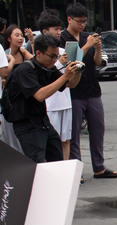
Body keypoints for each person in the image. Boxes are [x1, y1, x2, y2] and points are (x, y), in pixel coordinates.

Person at [60, 2, 117, 179]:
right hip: (74, 91)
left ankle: (98, 166)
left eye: (85, 21)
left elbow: (97, 62)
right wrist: (87, 46)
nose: (82, 24)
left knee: (98, 128)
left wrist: (98, 47)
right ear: (69, 19)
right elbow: (71, 60)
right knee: (74, 133)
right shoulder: (63, 38)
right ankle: (77, 170)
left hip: (93, 89)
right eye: (79, 21)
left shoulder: (87, 36)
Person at [5, 34, 82, 163]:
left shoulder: (47, 68)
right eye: (52, 56)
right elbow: (39, 95)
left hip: (42, 122)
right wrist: (65, 76)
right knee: (37, 163)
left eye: (56, 56)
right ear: (38, 53)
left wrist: (78, 71)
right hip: (26, 124)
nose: (55, 60)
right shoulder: (25, 70)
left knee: (56, 157)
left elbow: (70, 84)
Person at [38, 9, 73, 161]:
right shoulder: (39, 53)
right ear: (45, 31)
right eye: (56, 29)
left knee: (66, 140)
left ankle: (66, 173)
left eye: (60, 29)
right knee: (51, 141)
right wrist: (59, 62)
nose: (59, 32)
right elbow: (46, 75)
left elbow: (69, 79)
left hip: (66, 101)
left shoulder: (65, 51)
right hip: (51, 104)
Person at [2, 25, 32, 153]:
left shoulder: (23, 52)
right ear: (9, 38)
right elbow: (3, 78)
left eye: (21, 35)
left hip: (24, 96)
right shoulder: (4, 54)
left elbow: (36, 62)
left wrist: (32, 41)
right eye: (17, 35)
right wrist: (12, 61)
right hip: (10, 98)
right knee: (9, 132)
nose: (20, 38)